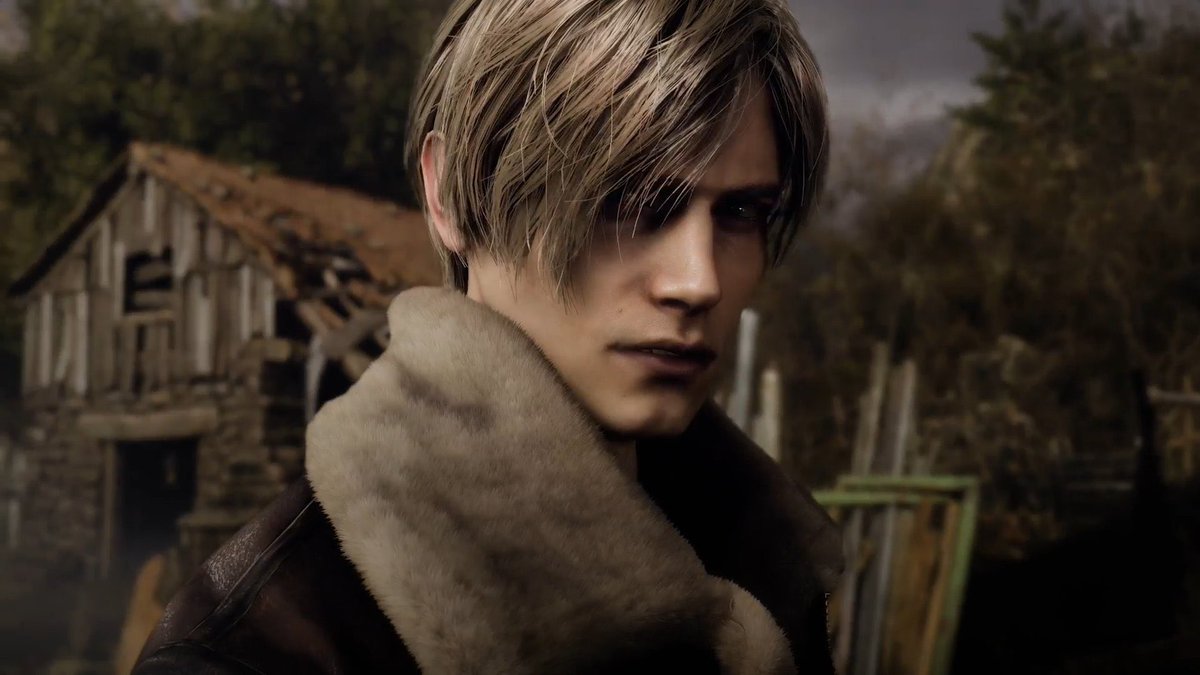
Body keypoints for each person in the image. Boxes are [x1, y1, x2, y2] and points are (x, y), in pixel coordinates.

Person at [133, 0, 843, 672]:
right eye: (628, 201)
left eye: (742, 212)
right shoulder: (257, 651)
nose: (698, 280)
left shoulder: (771, 570)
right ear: (450, 196)